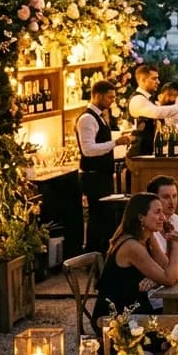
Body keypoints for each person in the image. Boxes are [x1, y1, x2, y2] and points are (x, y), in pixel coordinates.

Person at [92, 193, 178, 319]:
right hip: (117, 316)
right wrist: (176, 245)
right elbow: (169, 279)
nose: (163, 217)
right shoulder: (131, 246)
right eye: (157, 212)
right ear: (141, 217)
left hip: (137, 309)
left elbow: (169, 271)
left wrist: (156, 279)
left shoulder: (147, 237)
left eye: (162, 212)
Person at [77, 79, 132, 255]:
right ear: (98, 96)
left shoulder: (100, 117)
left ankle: (102, 252)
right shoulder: (87, 119)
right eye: (109, 97)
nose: (112, 101)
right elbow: (88, 150)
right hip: (94, 176)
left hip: (102, 174)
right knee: (97, 216)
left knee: (104, 215)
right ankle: (93, 254)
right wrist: (115, 143)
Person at [147, 176, 178, 272]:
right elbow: (158, 263)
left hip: (176, 273)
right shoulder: (148, 224)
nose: (172, 202)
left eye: (174, 196)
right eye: (166, 197)